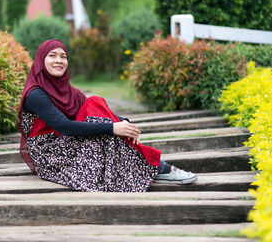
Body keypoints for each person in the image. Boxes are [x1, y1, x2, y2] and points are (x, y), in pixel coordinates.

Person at [17, 39, 197, 192]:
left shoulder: (69, 92)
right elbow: (65, 126)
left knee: (94, 103)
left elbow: (95, 109)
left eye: (63, 56)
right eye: (52, 55)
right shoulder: (35, 94)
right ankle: (157, 167)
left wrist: (125, 123)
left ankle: (152, 166)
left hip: (65, 142)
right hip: (51, 154)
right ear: (41, 60)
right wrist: (113, 127)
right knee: (106, 132)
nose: (59, 60)